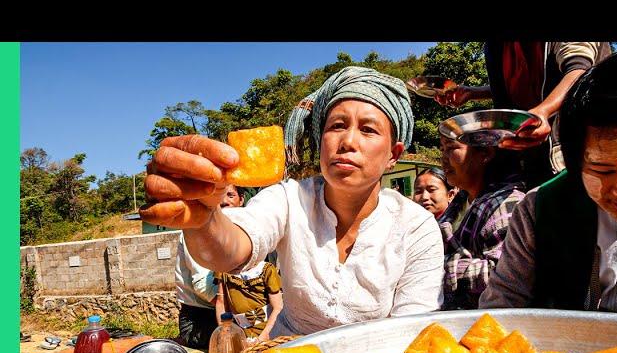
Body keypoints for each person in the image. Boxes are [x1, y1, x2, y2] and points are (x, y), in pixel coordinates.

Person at [142, 66, 444, 336]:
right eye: (336, 126)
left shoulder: (416, 226)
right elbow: (233, 249)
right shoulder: (289, 199)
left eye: (368, 129)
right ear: (320, 140)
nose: (348, 141)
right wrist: (204, 219)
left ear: (394, 154)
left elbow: (410, 332)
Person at [479, 50, 617, 314]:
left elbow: (577, 62)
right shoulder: (540, 209)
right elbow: (502, 309)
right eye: (603, 169)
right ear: (575, 161)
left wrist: (542, 111)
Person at [435, 42, 612, 190]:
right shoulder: (496, 46)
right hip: (528, 159)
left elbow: (579, 71)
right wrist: (473, 93)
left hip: (584, 152)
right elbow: (519, 88)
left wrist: (543, 111)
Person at [438, 125, 526, 310]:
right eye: (442, 149)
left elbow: (502, 273)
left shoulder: (507, 204)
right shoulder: (459, 203)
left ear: (485, 153)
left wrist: (433, 268)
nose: (443, 159)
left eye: (451, 148)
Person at [174, 184, 245, 349]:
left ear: (242, 200)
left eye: (230, 195)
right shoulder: (198, 228)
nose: (224, 201)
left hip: (238, 313)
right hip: (201, 319)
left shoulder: (250, 230)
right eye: (218, 196)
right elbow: (203, 285)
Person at [215, 260, 283, 343]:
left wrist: (264, 336)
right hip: (241, 332)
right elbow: (221, 303)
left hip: (268, 329)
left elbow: (278, 307)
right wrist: (225, 333)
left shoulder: (265, 269)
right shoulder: (224, 270)